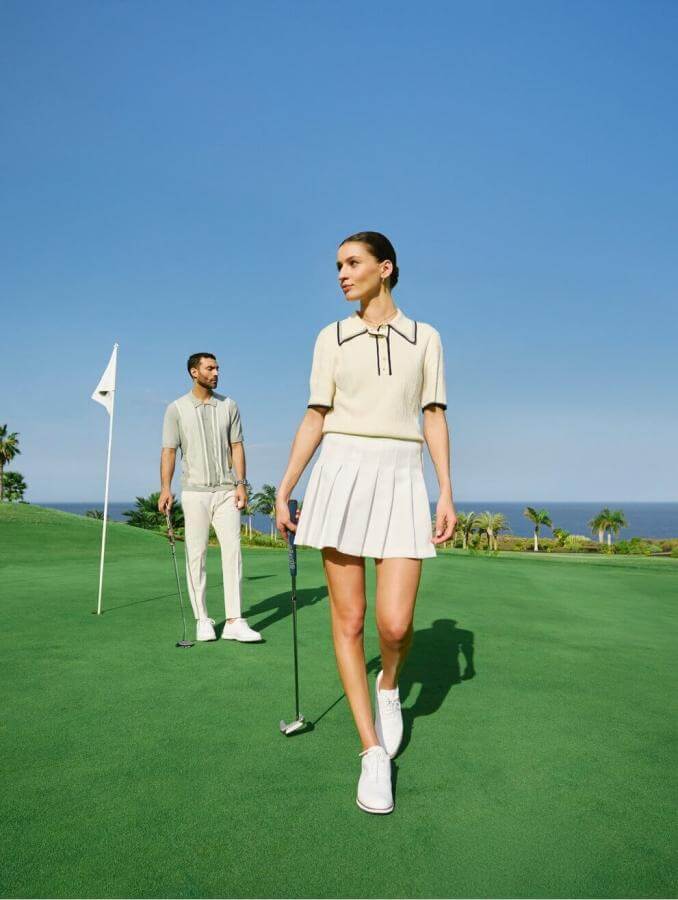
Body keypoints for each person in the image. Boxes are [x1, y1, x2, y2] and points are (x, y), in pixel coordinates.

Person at [275, 232, 456, 814]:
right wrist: (285, 489)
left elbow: (432, 416)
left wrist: (446, 490)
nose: (342, 274)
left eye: (352, 263)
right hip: (341, 473)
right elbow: (315, 415)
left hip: (403, 474)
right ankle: (371, 752)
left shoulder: (425, 337)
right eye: (337, 266)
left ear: (386, 267)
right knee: (349, 620)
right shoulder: (330, 336)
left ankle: (388, 685)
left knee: (396, 625)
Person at [159, 353, 262, 643]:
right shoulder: (175, 409)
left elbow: (237, 447)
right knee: (196, 556)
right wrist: (165, 488)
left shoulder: (229, 405)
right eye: (210, 368)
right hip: (194, 493)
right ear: (194, 372)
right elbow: (168, 451)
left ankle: (234, 620)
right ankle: (202, 619)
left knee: (233, 553)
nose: (216, 372)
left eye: (217, 368)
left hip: (226, 491)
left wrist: (241, 484)